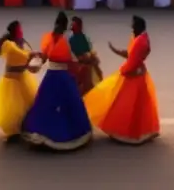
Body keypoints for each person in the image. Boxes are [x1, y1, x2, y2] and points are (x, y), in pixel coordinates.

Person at [21, 11, 93, 151]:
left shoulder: (48, 38)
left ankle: (41, 132)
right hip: (64, 77)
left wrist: (33, 66)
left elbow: (43, 58)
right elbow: (77, 58)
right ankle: (68, 135)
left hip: (50, 75)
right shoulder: (68, 40)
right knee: (70, 104)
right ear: (66, 26)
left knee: (46, 104)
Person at [83, 15, 160, 144]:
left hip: (133, 76)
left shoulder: (141, 42)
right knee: (137, 105)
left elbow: (133, 61)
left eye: (134, 26)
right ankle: (139, 131)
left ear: (140, 27)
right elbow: (132, 55)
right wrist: (115, 50)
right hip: (138, 73)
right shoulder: (141, 38)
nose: (132, 28)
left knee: (127, 103)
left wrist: (123, 71)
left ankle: (128, 133)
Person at [69, 16, 103, 96]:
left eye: (74, 25)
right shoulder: (71, 39)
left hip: (85, 61)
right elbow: (73, 55)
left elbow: (89, 50)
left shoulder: (84, 38)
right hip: (77, 63)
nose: (72, 27)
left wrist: (91, 57)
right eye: (72, 25)